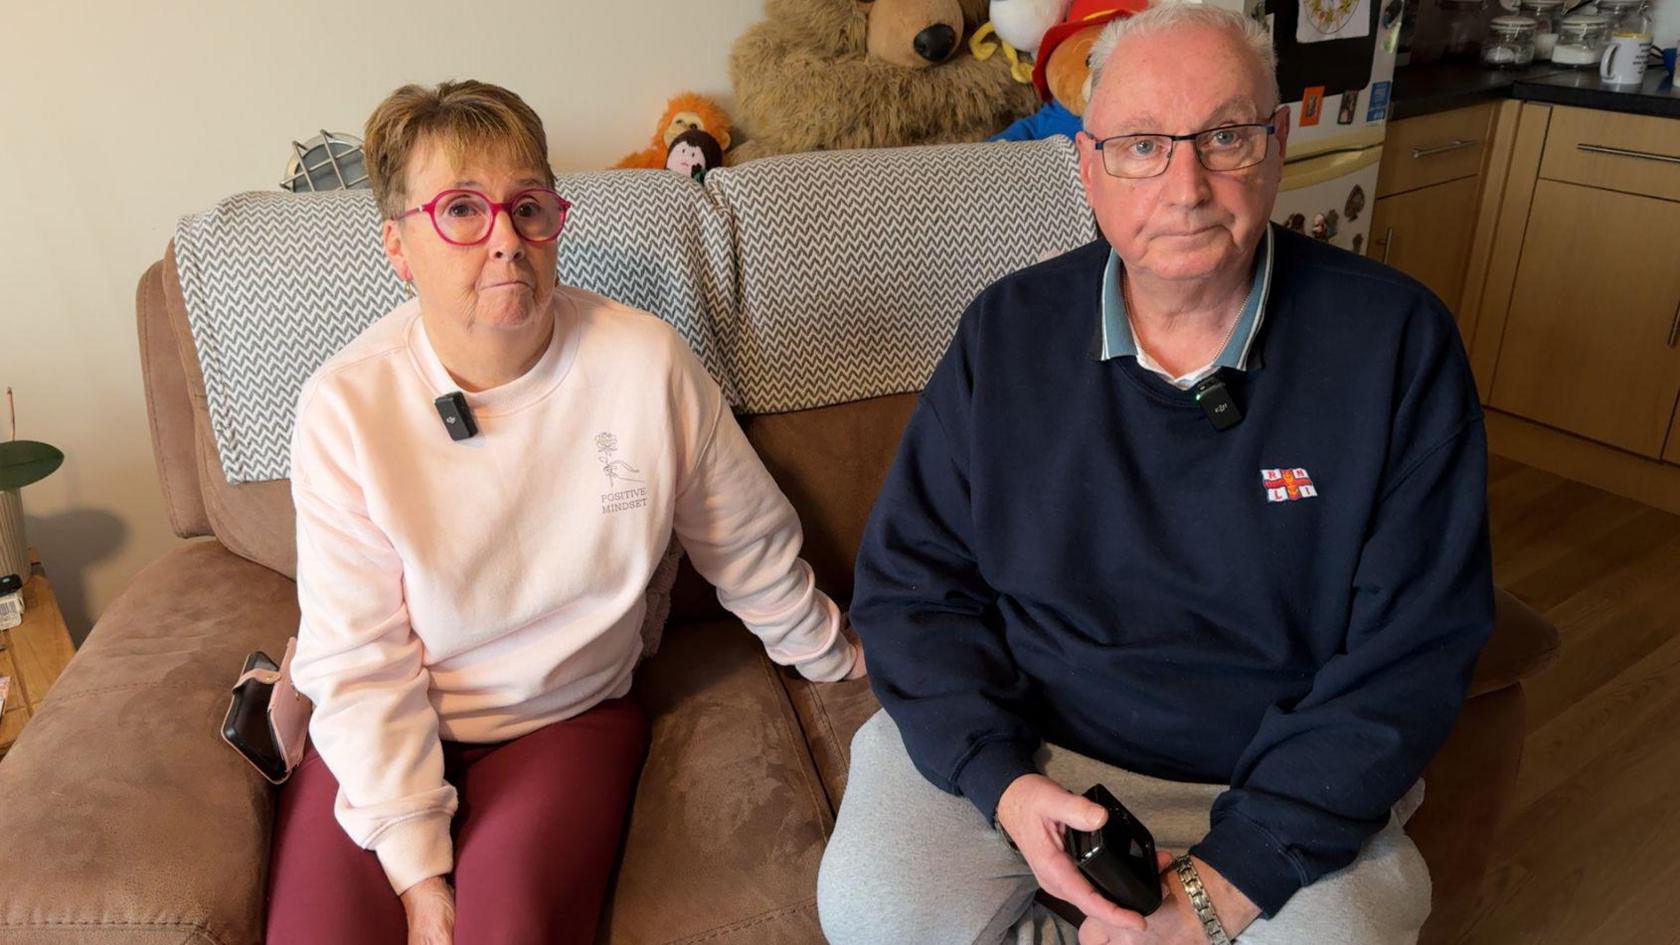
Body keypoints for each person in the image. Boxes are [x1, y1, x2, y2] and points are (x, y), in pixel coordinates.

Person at [818, 5, 1492, 944]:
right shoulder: (1004, 332)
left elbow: (1413, 650)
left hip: (1273, 770)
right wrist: (1003, 781)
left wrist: (1223, 886)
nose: (1186, 186)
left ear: (1276, 142)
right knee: (875, 907)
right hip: (1031, 747)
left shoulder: (1398, 343)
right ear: (1088, 164)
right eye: (1141, 145)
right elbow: (910, 587)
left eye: (1223, 136)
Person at [264, 80, 865, 945]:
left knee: (507, 932)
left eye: (529, 207)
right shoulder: (344, 408)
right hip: (391, 717)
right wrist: (417, 867)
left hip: (564, 715)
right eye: (462, 211)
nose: (506, 240)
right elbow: (360, 660)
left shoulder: (645, 363)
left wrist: (836, 651)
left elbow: (749, 547)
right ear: (397, 247)